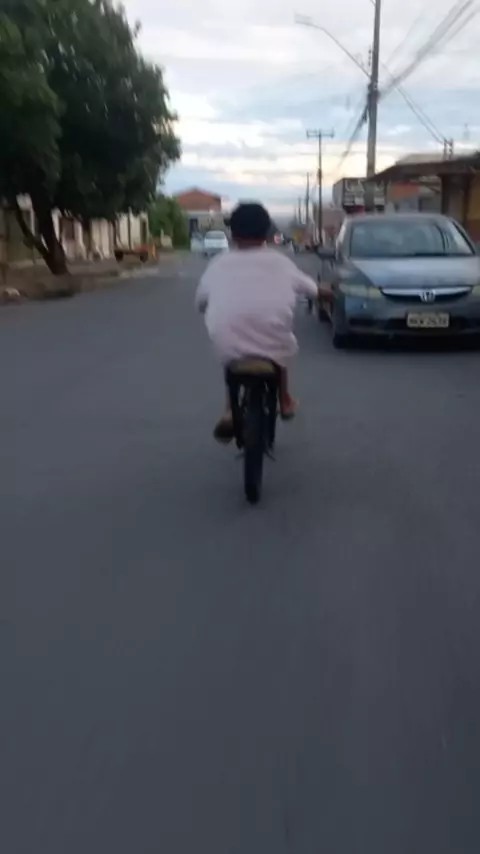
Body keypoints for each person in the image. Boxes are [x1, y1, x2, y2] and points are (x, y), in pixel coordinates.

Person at [195, 202, 319, 442]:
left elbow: (200, 301)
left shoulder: (218, 264)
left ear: (232, 233)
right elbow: (311, 290)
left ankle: (229, 411)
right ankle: (284, 400)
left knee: (231, 354)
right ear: (267, 233)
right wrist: (324, 294)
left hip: (228, 342)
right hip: (273, 340)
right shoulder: (281, 263)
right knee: (281, 345)